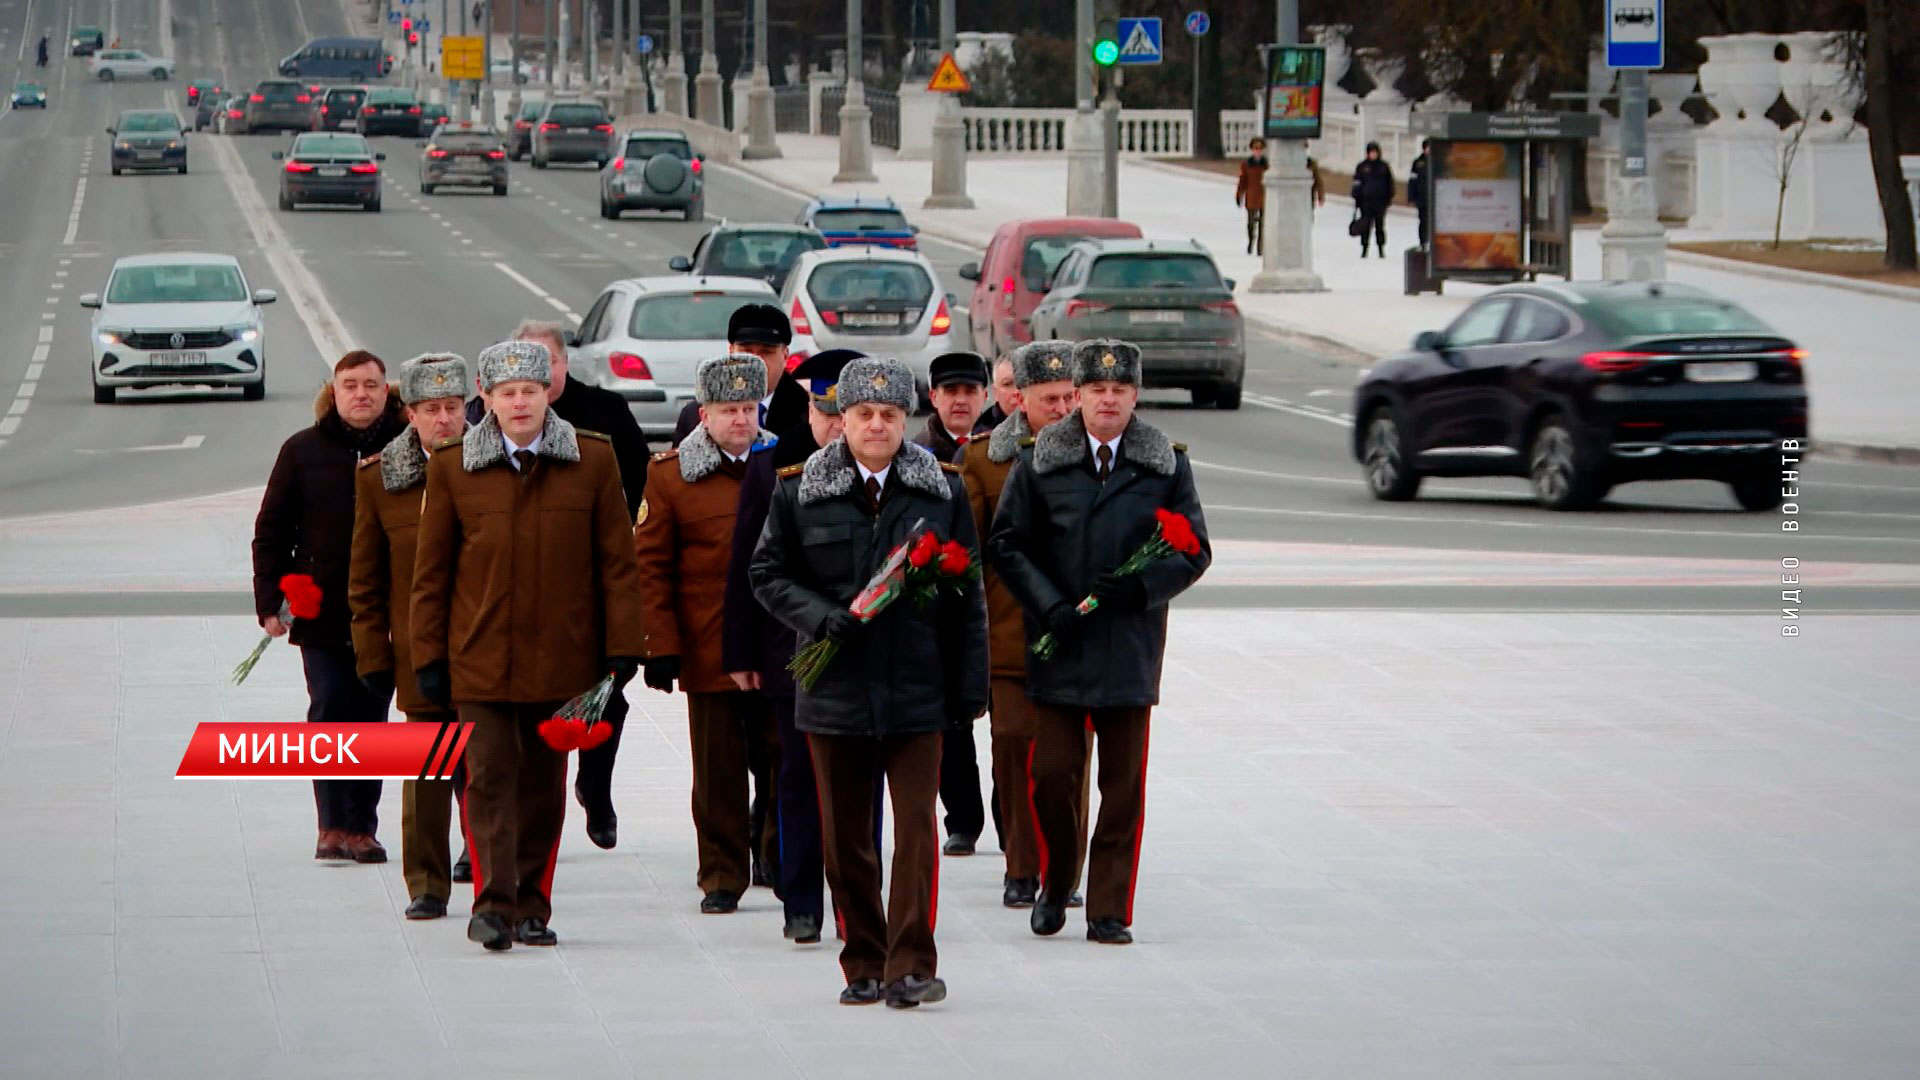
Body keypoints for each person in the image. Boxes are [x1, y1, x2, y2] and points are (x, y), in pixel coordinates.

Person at [751, 356, 988, 1009]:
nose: (877, 425)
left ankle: (911, 962)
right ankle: (863, 959)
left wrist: (969, 692)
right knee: (848, 838)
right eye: (864, 415)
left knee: (915, 831)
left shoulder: (943, 490)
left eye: (889, 415)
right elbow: (767, 575)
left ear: (906, 420)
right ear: (841, 420)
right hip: (834, 692)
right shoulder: (799, 490)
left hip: (918, 690)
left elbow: (968, 597)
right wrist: (820, 618)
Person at [411, 339, 646, 952]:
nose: (520, 403)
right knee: (488, 781)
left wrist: (623, 650)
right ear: (485, 400)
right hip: (480, 661)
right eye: (507, 393)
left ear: (549, 394)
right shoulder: (452, 466)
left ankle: (533, 906)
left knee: (542, 791)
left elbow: (618, 565)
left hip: (564, 663)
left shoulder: (593, 462)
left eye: (531, 391)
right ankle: (492, 905)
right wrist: (429, 658)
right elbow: (431, 577)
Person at [989, 339, 1212, 946]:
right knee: (1050, 776)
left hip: (1127, 649)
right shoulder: (1041, 460)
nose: (1107, 400)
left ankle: (1109, 908)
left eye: (1119, 390)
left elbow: (1194, 550)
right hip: (1059, 645)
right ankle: (1057, 880)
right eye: (1097, 390)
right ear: (1079, 397)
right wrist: (1049, 602)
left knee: (1122, 787)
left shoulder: (1164, 462)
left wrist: (1140, 587)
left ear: (1134, 396)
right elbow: (1006, 543)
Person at [466, 319, 647, 851]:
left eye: (539, 375)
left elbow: (632, 485)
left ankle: (594, 788)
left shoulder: (603, 418)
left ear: (560, 370)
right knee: (494, 757)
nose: (522, 395)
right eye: (512, 386)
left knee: (603, 705)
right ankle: (482, 855)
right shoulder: (478, 442)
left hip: (582, 598)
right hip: (502, 626)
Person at [723, 349, 864, 945]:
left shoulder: (885, 475)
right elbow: (745, 568)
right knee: (798, 781)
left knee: (859, 790)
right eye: (823, 411)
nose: (833, 424)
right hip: (793, 653)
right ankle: (801, 901)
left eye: (844, 413)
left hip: (867, 658)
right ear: (808, 414)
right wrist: (741, 654)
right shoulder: (773, 469)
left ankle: (857, 901)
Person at [634, 354, 782, 916]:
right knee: (717, 770)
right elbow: (651, 568)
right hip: (710, 646)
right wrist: (662, 647)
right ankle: (721, 873)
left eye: (749, 408)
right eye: (729, 410)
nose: (741, 420)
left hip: (776, 645)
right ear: (704, 414)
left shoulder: (786, 466)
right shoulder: (671, 475)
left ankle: (776, 856)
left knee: (780, 758)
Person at [253, 350, 408, 865]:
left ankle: (363, 828)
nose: (360, 394)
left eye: (370, 385)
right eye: (350, 385)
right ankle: (330, 825)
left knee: (371, 717)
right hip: (320, 612)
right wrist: (270, 602)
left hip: (386, 611)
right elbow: (271, 530)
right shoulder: (302, 450)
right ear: (334, 392)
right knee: (328, 712)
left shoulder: (407, 448)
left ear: (387, 391)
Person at [959, 342, 1090, 909]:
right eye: (1049, 399)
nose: (1062, 408)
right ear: (1021, 400)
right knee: (1013, 747)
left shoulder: (1096, 458)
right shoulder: (985, 460)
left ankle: (1066, 867)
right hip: (1010, 631)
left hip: (1079, 634)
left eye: (1069, 398)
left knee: (1069, 759)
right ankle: (1021, 864)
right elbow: (965, 554)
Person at [348, 353, 471, 920]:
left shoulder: (491, 468)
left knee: (490, 770)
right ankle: (426, 882)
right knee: (427, 774)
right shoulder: (381, 480)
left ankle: (492, 868)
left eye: (452, 407)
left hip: (485, 647)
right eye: (430, 410)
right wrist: (374, 656)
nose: (443, 420)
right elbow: (366, 582)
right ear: (410, 414)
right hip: (420, 653)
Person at [673, 303, 808, 445]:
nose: (756, 362)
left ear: (785, 355)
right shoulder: (694, 415)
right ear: (731, 352)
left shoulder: (808, 414)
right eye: (746, 352)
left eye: (766, 352)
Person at [913, 352, 991, 468]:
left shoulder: (1004, 448)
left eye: (970, 391)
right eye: (951, 391)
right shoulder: (915, 456)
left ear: (984, 396)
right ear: (934, 397)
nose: (960, 401)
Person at [1352, 141, 1396, 258]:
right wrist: (1356, 198)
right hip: (1366, 202)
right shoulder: (1362, 167)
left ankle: (1381, 248)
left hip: (1380, 202)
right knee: (1366, 226)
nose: (1373, 155)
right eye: (1371, 152)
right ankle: (1364, 248)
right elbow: (1357, 183)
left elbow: (1390, 183)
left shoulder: (1384, 167)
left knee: (1380, 226)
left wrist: (1389, 198)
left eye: (1374, 152)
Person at [1234, 137, 1269, 255]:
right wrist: (1239, 195)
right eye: (1255, 148)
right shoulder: (1246, 164)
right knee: (1251, 223)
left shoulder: (1267, 165)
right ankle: (1251, 241)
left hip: (1264, 198)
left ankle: (1260, 247)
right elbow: (1242, 181)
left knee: (1263, 224)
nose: (1258, 151)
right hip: (1251, 197)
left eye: (1260, 149)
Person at [977, 356, 1017, 431]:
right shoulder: (985, 436)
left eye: (1023, 383)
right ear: (995, 392)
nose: (1016, 391)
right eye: (1007, 384)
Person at [1409, 140, 1431, 249]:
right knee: (1423, 221)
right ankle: (1423, 241)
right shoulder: (1418, 163)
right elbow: (1412, 181)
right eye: (1427, 147)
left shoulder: (1437, 161)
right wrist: (1411, 197)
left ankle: (1432, 242)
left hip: (1434, 198)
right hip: (1422, 198)